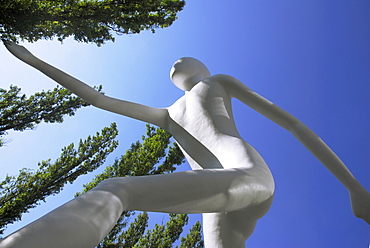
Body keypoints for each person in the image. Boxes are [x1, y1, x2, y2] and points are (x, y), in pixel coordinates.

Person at [2, 43, 369, 248]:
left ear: (204, 66)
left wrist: (353, 187)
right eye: (173, 66)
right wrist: (35, 61)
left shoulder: (217, 83)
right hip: (215, 203)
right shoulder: (166, 113)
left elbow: (293, 125)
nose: (175, 61)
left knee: (118, 189)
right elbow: (99, 100)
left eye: (185, 57)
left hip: (244, 173)